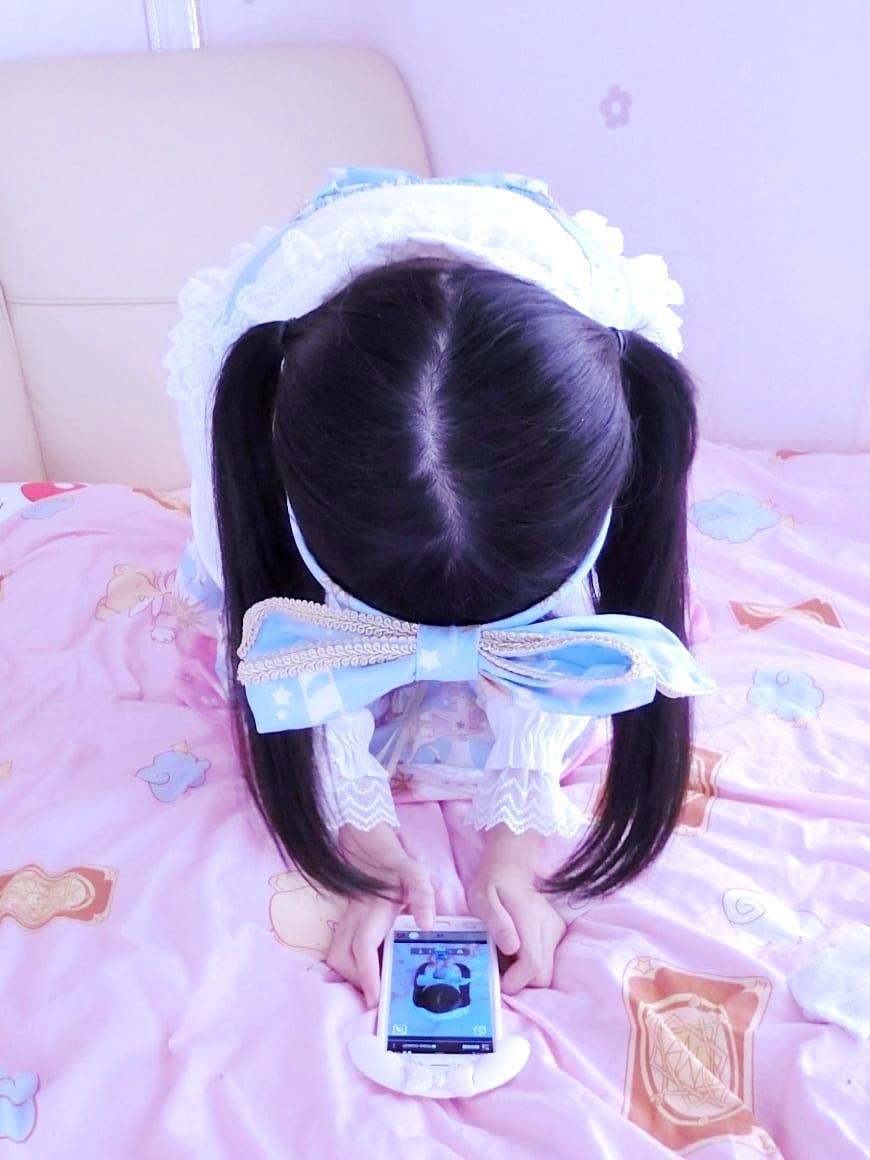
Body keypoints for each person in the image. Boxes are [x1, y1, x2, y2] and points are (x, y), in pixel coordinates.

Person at [164, 167, 716, 1011]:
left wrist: (514, 844)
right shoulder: (239, 395)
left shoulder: (615, 381)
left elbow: (576, 628)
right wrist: (357, 838)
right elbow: (286, 615)